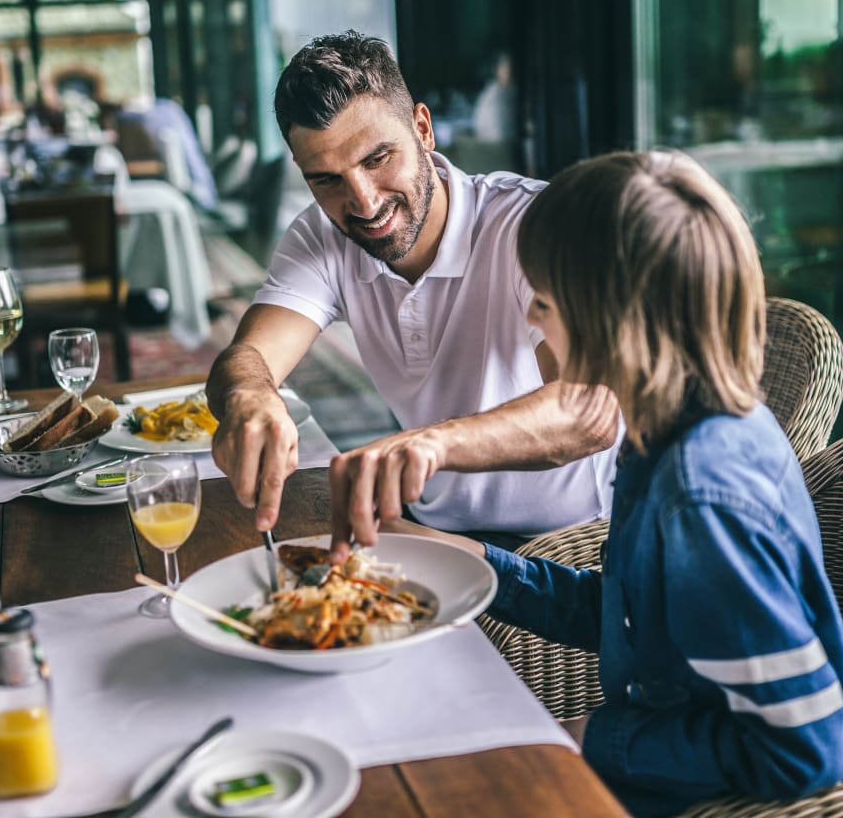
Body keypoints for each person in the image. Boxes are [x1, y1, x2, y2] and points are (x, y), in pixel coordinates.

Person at [422, 151, 843, 816]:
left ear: (610, 320)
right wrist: (477, 565)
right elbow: (630, 616)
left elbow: (804, 748)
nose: (531, 322)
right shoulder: (661, 431)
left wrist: (594, 739)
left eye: (542, 301)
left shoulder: (701, 496)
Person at [206, 30, 620, 551]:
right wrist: (250, 397)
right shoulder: (320, 233)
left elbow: (591, 412)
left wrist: (428, 444)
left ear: (422, 129)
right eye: (327, 180)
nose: (363, 202)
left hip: (570, 543)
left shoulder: (533, 224)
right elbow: (247, 355)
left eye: (377, 159)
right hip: (429, 532)